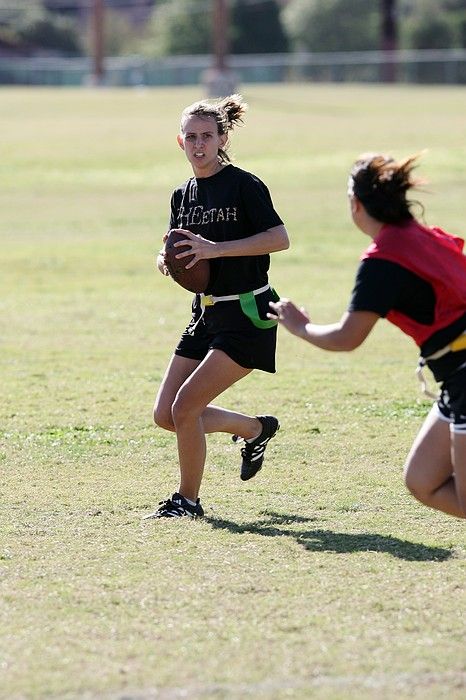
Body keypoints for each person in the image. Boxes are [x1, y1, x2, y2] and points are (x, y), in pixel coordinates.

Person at [269, 153, 466, 520]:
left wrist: (299, 326)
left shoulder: (383, 259)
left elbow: (347, 337)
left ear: (356, 204)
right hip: (455, 378)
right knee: (422, 480)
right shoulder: (423, 236)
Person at [145, 94, 289, 519]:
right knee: (166, 414)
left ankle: (187, 502)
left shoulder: (245, 185)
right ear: (180, 142)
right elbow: (174, 244)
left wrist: (216, 250)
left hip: (247, 312)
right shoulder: (182, 194)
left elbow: (279, 238)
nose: (199, 144)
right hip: (205, 313)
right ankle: (255, 429)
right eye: (190, 137)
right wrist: (165, 260)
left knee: (185, 407)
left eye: (207, 135)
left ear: (223, 137)